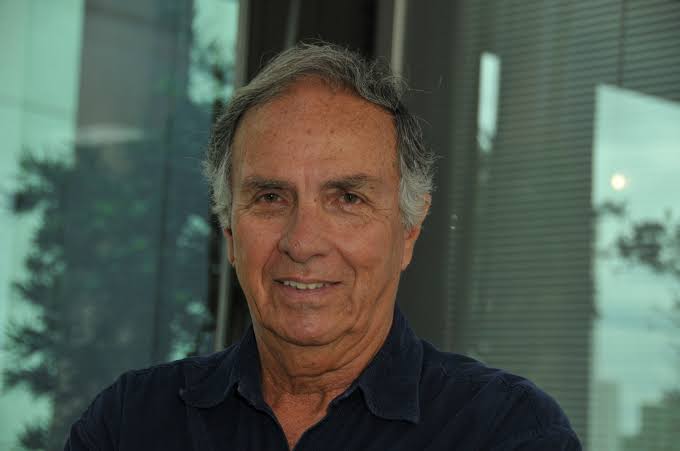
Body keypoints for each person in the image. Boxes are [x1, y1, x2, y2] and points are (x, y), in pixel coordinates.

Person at [65, 43, 581, 450]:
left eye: (348, 198)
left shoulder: (506, 432)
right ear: (229, 231)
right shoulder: (129, 425)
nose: (303, 242)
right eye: (270, 197)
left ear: (409, 230)